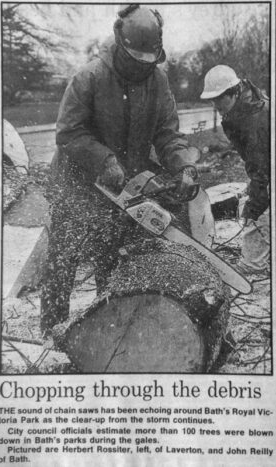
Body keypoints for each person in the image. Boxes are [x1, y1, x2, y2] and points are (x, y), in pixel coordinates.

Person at [40, 4, 200, 336]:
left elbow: (167, 133)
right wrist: (103, 159)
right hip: (76, 181)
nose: (141, 66)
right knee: (63, 256)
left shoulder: (158, 81)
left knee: (111, 255)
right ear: (119, 42)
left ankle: (108, 327)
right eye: (135, 58)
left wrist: (185, 166)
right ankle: (51, 329)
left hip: (118, 188)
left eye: (147, 60)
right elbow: (68, 132)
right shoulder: (90, 76)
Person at [200, 65, 270, 275]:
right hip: (266, 164)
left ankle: (253, 264)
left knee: (258, 210)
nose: (215, 105)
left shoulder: (254, 119)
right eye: (212, 100)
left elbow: (261, 170)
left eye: (219, 99)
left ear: (233, 92)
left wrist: (254, 208)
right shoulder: (244, 107)